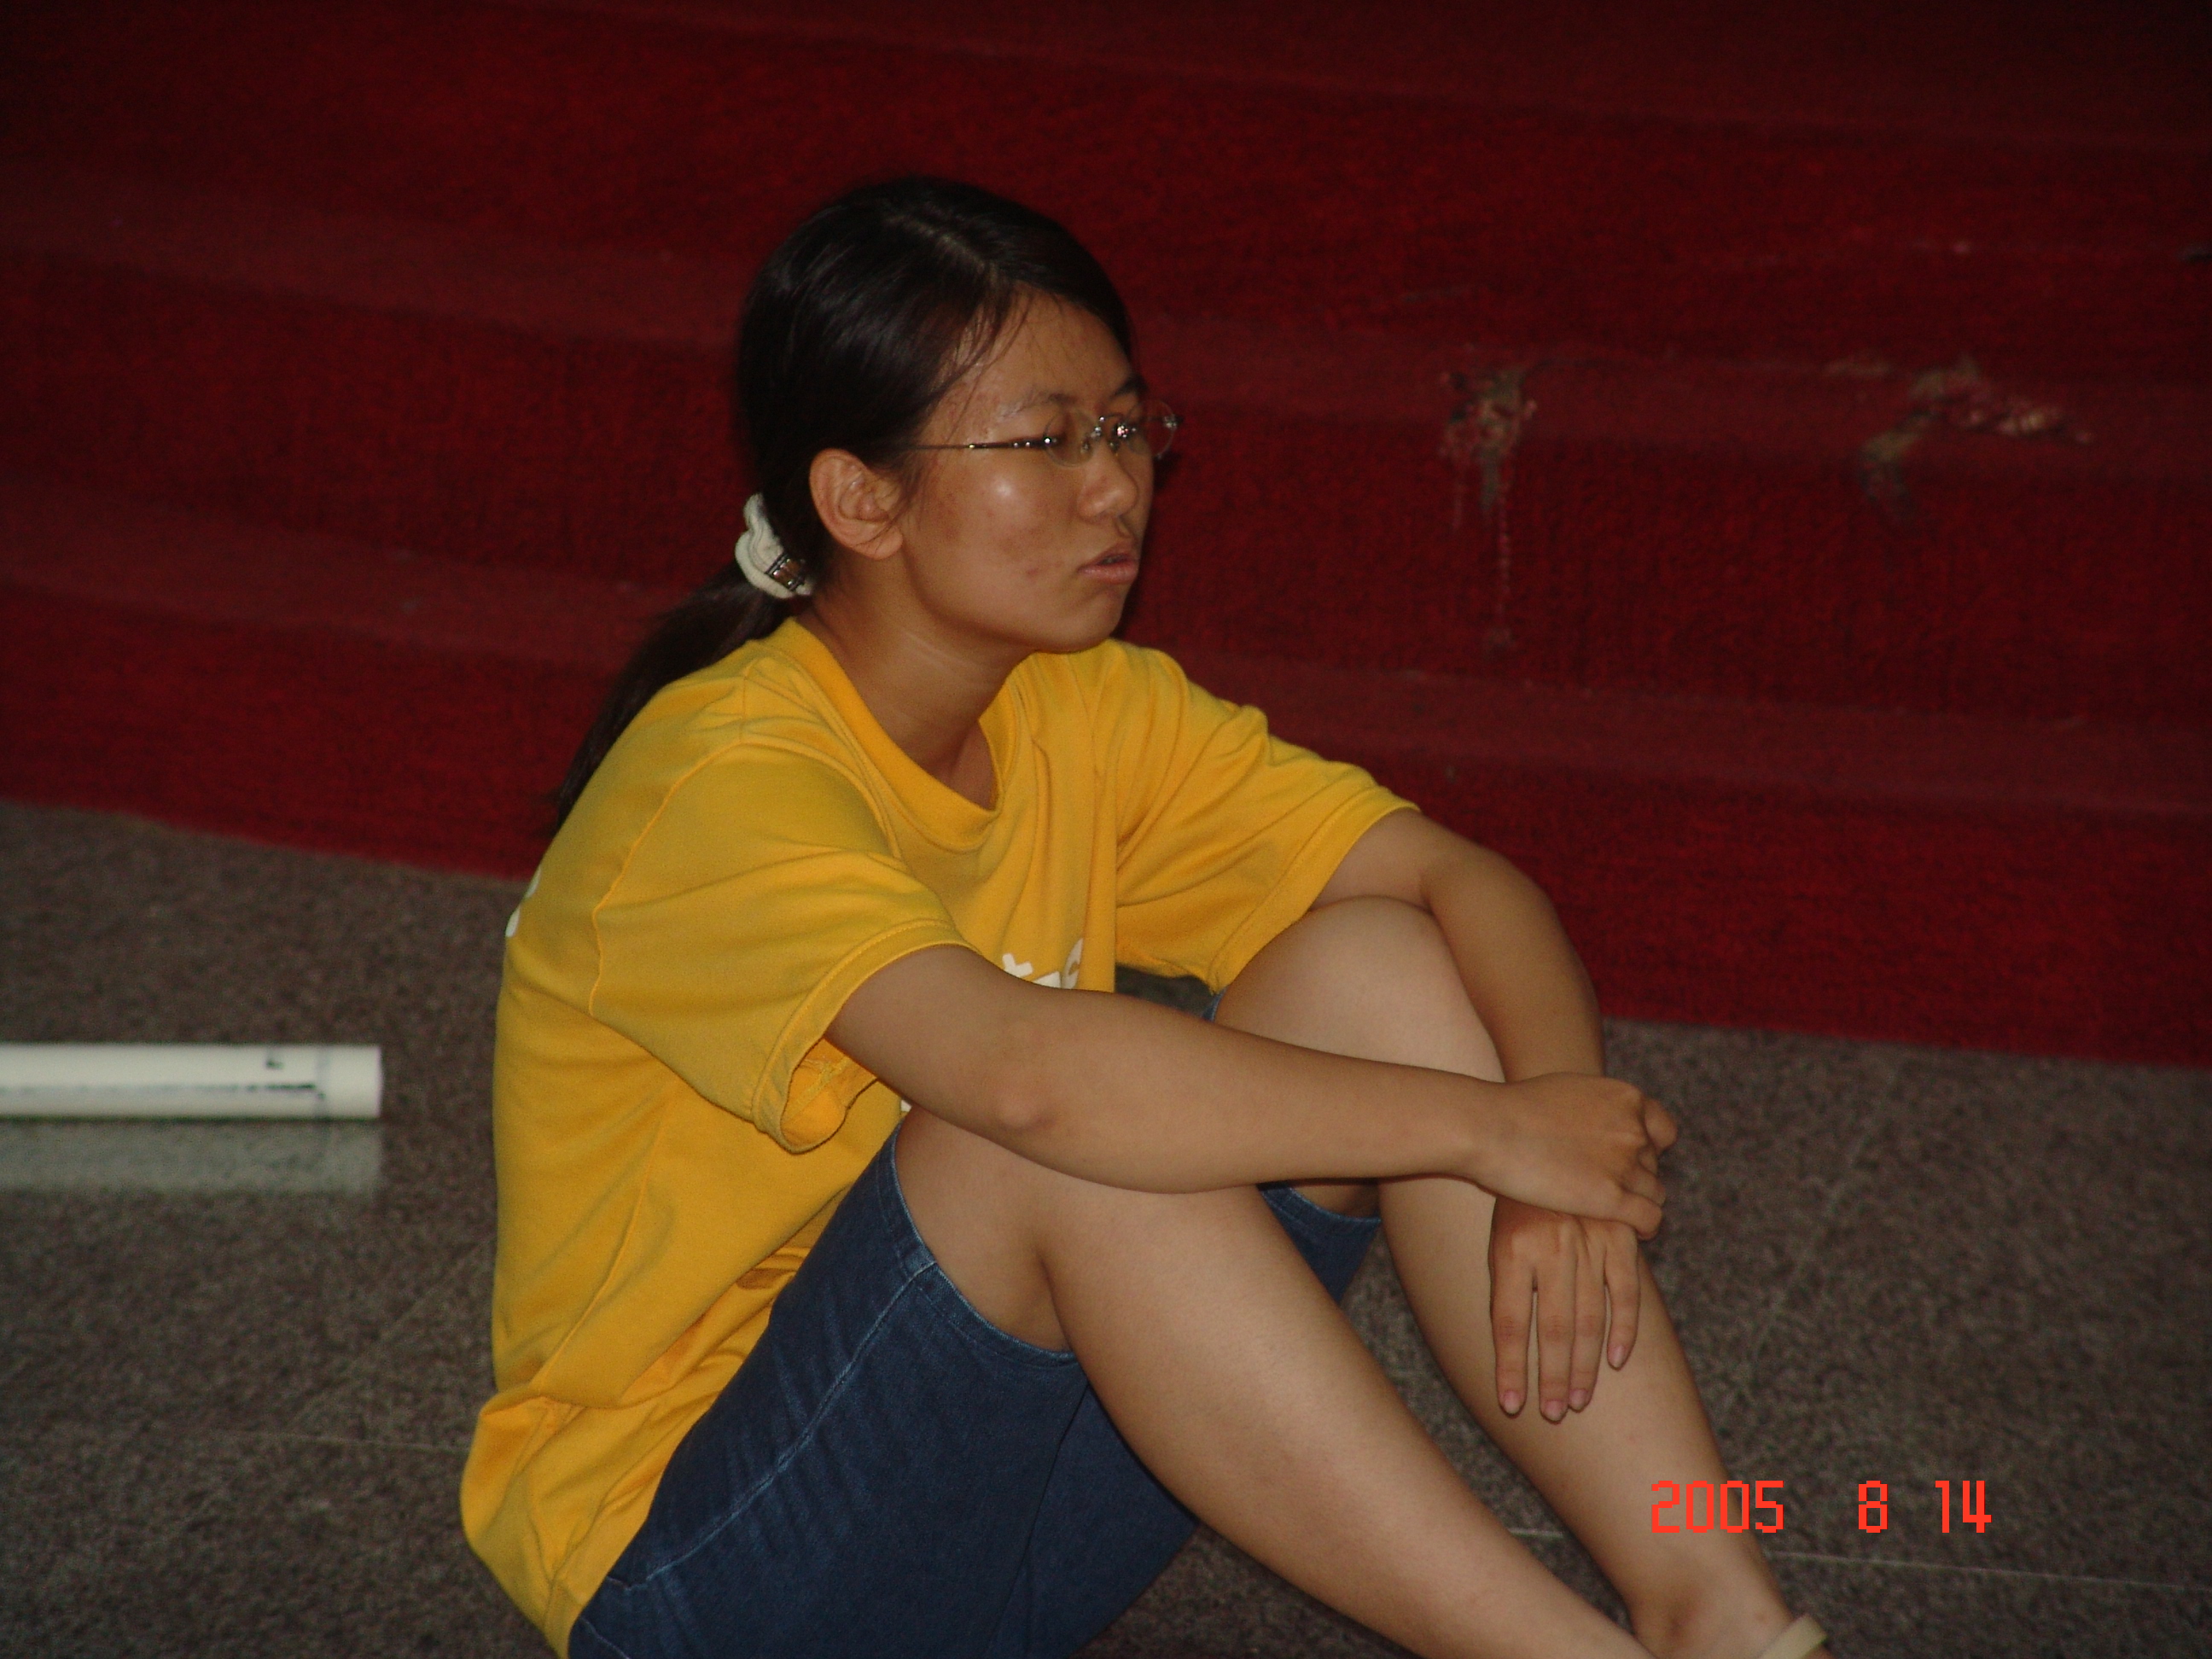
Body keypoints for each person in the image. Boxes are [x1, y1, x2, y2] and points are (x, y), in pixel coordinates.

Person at [461, 176, 1832, 1659]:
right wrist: (1489, 1132)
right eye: (1047, 441)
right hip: (700, 1577)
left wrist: (1555, 1130)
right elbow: (1027, 1083)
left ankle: (1720, 1613)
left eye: (1126, 429)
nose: (1116, 487)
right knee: (1059, 1125)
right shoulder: (715, 782)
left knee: (1376, 964)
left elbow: (1460, 882)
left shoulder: (1077, 706)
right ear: (860, 499)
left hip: (1012, 1535)